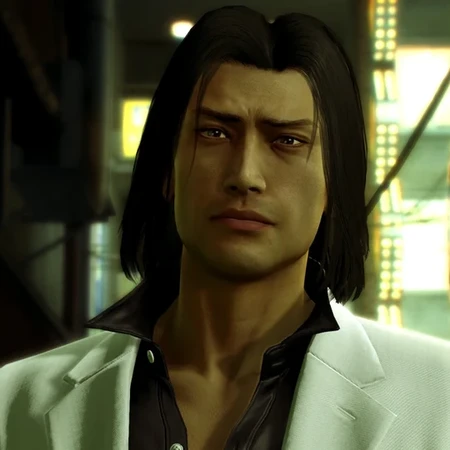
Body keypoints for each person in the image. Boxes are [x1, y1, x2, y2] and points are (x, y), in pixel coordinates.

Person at [1, 5, 450, 450]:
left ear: (334, 182)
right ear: (168, 168)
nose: (245, 175)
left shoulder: (436, 399)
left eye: (287, 141)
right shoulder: (14, 400)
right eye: (214, 133)